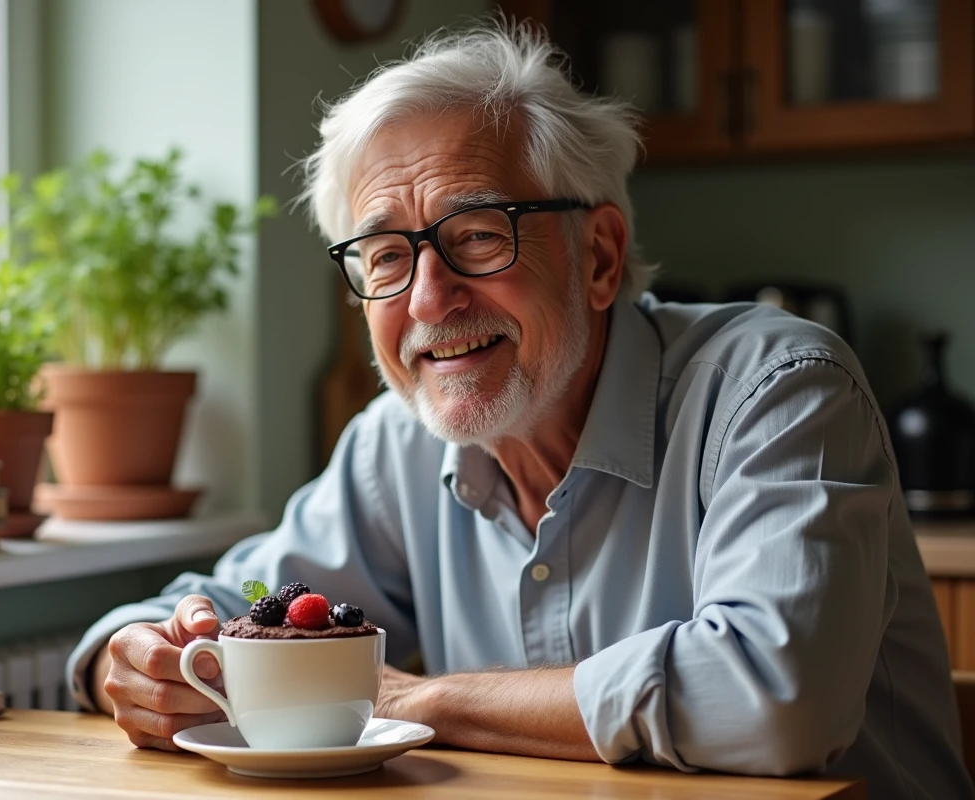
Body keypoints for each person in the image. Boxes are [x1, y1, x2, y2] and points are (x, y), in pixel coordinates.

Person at [65, 22, 971, 798]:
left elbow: (778, 699)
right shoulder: (394, 446)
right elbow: (234, 607)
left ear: (601, 257)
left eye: (476, 236)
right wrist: (131, 657)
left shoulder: (776, 389)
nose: (428, 299)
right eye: (385, 256)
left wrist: (419, 699)